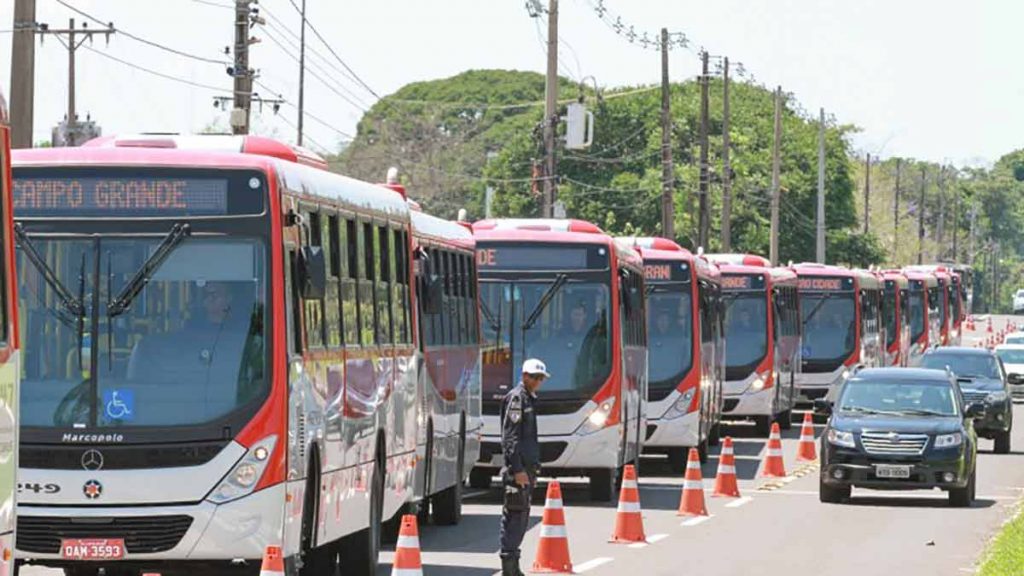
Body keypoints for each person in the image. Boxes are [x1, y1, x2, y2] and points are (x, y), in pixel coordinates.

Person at [499, 358, 547, 576]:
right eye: (535, 377)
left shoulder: (529, 398)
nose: (538, 381)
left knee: (521, 517)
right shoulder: (517, 398)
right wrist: (517, 469)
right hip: (518, 470)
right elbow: (510, 438)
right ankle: (509, 567)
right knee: (515, 516)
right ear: (524, 376)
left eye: (541, 378)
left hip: (527, 468)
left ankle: (513, 565)